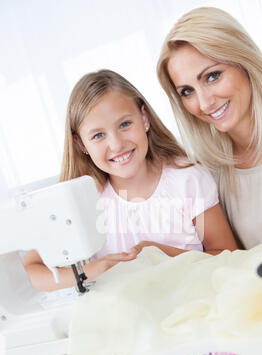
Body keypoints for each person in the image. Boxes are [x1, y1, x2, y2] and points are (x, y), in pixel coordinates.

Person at [24, 69, 237, 292]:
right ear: (81, 144)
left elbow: (228, 256)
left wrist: (158, 254)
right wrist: (89, 272)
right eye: (98, 135)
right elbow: (33, 270)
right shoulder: (83, 202)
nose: (116, 144)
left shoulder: (188, 181)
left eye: (125, 124)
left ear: (144, 117)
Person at [157, 6, 262, 249]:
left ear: (244, 62)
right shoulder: (209, 173)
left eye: (212, 76)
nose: (203, 103)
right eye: (187, 91)